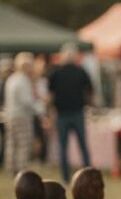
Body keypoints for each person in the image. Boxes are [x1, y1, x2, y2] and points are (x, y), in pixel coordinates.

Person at [47, 44, 92, 183]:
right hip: (74, 113)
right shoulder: (80, 71)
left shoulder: (56, 72)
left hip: (65, 114)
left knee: (65, 147)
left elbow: (50, 94)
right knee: (81, 145)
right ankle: (87, 174)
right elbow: (90, 90)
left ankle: (67, 176)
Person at [3, 53, 39, 176]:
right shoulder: (23, 80)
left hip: (10, 116)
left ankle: (11, 169)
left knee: (12, 143)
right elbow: (27, 101)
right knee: (23, 144)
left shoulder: (11, 79)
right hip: (21, 116)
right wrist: (40, 110)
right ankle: (21, 171)